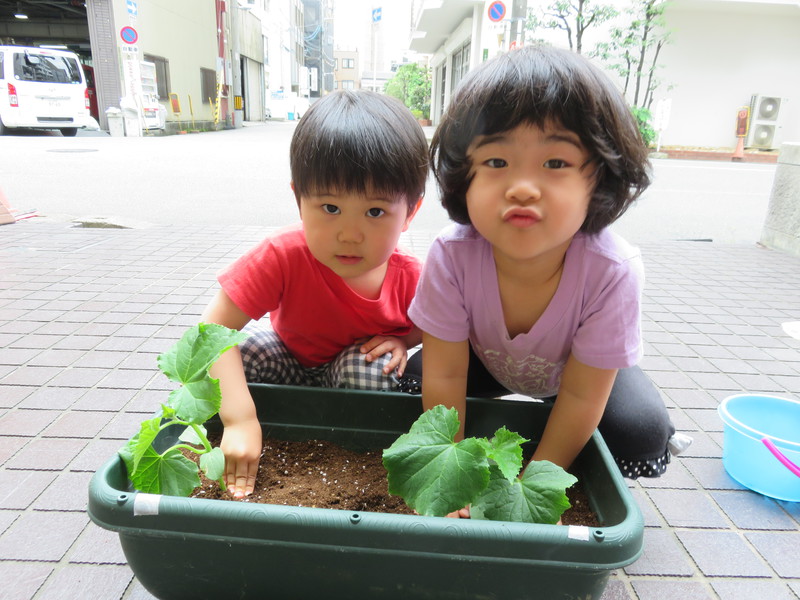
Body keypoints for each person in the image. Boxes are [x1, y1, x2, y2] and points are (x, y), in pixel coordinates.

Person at [402, 46, 691, 514]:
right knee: (414, 383)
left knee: (641, 428)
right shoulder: (451, 254)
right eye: (496, 162)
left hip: (577, 376)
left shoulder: (612, 270)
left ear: (598, 178)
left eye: (555, 163)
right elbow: (446, 372)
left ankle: (577, 467)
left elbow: (579, 396)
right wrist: (450, 477)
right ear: (464, 178)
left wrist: (533, 484)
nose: (522, 187)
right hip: (485, 362)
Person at [202, 90, 428, 498]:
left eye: (375, 212)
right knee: (247, 350)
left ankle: (351, 453)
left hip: (349, 373)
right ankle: (259, 434)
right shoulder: (282, 254)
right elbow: (212, 331)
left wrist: (403, 339)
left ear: (410, 212)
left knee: (375, 369)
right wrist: (238, 419)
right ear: (298, 199)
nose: (349, 233)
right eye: (329, 207)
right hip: (290, 359)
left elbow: (439, 329)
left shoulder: (413, 278)